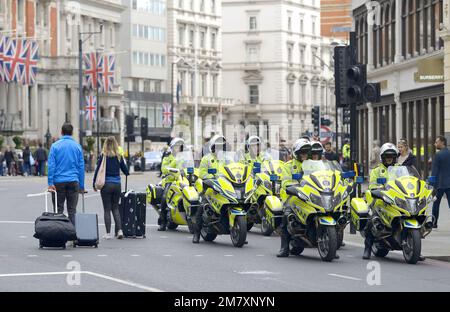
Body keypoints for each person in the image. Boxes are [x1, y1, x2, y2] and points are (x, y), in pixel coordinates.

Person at [364, 142, 399, 259]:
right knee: (372, 219)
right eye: (387, 156)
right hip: (380, 201)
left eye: (391, 157)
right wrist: (377, 190)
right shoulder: (376, 171)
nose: (389, 159)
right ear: (382, 158)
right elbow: (372, 186)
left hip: (397, 201)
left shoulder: (400, 169)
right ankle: (367, 247)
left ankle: (415, 249)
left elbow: (407, 181)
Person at [277, 138, 311, 257]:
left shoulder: (313, 165)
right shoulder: (289, 166)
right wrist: (295, 187)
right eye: (302, 153)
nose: (305, 155)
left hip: (310, 195)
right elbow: (285, 182)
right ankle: (284, 247)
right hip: (292, 196)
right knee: (287, 215)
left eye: (306, 153)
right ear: (296, 153)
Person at [47, 123, 85, 226]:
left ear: (61, 132)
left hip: (58, 182)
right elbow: (81, 167)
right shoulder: (77, 147)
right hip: (73, 181)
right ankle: (73, 235)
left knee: (58, 210)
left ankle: (60, 234)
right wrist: (81, 185)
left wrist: (50, 182)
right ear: (72, 133)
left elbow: (51, 166)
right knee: (72, 210)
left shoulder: (55, 146)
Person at [93, 136, 129, 239]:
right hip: (117, 185)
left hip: (106, 185)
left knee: (107, 209)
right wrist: (126, 171)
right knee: (116, 208)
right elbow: (126, 170)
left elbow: (98, 170)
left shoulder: (103, 156)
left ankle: (108, 233)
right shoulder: (119, 156)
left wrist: (94, 183)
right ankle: (120, 230)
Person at [193, 135, 227, 243]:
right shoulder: (206, 159)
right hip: (209, 188)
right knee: (202, 206)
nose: (219, 148)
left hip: (224, 187)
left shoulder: (226, 159)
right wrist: (212, 178)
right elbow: (202, 173)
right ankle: (197, 234)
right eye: (218, 146)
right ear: (213, 146)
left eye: (222, 146)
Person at [158, 137, 185, 231]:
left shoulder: (184, 157)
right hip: (170, 181)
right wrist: (175, 160)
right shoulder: (167, 157)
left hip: (182, 180)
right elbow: (164, 169)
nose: (178, 148)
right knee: (164, 198)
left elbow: (189, 166)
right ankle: (162, 222)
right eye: (176, 146)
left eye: (180, 146)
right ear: (172, 147)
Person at [431, 135, 450, 229]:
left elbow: (434, 171)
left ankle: (434, 223)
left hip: (439, 184)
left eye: (436, 142)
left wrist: (431, 185)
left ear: (442, 142)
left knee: (436, 204)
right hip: (449, 183)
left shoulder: (438, 155)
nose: (435, 144)